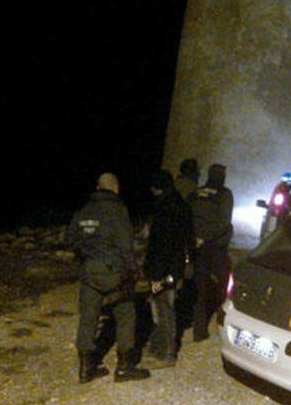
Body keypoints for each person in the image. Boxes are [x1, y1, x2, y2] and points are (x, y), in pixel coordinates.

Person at [66, 173, 150, 383]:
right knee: (126, 314)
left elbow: (71, 239)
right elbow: (125, 244)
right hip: (113, 272)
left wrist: (86, 257)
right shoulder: (117, 210)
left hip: (89, 271)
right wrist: (133, 271)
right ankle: (124, 368)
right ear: (115, 188)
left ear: (97, 187)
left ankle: (86, 370)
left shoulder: (84, 209)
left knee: (88, 317)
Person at [142, 169, 192, 369]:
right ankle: (157, 346)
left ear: (158, 188)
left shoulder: (165, 209)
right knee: (164, 309)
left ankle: (167, 353)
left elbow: (162, 246)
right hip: (176, 267)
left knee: (164, 310)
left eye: (153, 188)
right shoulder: (182, 205)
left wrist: (156, 276)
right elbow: (187, 239)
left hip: (165, 270)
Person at [189, 163, 234, 342]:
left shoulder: (196, 193)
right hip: (215, 248)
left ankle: (199, 331)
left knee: (200, 288)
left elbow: (188, 217)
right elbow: (224, 222)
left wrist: (195, 237)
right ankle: (222, 324)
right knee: (225, 284)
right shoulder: (225, 194)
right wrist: (205, 237)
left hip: (198, 247)